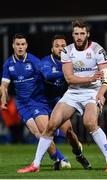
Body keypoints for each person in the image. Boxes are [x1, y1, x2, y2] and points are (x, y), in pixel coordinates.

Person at [31, 20, 107, 173]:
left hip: (92, 93)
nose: (79, 37)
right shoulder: (67, 51)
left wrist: (101, 94)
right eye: (76, 34)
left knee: (89, 122)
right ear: (72, 35)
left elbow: (106, 76)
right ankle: (35, 165)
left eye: (82, 33)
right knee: (52, 124)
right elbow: (69, 78)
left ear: (87, 34)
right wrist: (90, 78)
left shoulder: (98, 49)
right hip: (73, 92)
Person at [1, 33, 91, 173]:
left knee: (68, 131)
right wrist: (3, 99)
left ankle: (77, 153)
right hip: (32, 103)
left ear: (26, 46)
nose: (20, 47)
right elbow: (4, 85)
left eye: (22, 44)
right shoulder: (11, 63)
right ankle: (59, 159)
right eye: (17, 44)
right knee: (42, 132)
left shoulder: (35, 61)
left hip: (54, 101)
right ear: (13, 46)